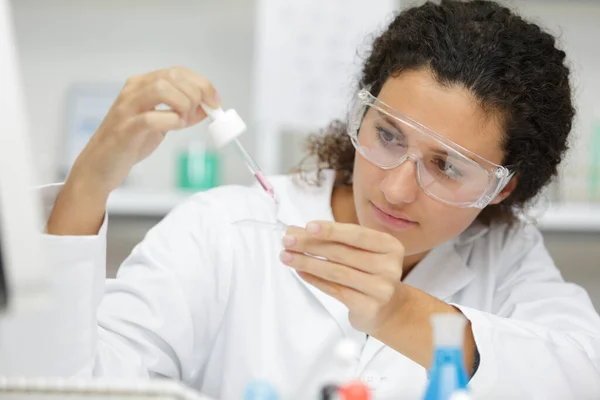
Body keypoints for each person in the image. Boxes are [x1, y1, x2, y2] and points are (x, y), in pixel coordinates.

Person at [5, 0, 600, 398]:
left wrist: (397, 311)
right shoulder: (223, 230)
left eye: (448, 167)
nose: (394, 187)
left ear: (504, 187)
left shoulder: (507, 257)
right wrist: (89, 183)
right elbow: (58, 386)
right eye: (387, 136)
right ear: (361, 115)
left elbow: (579, 375)